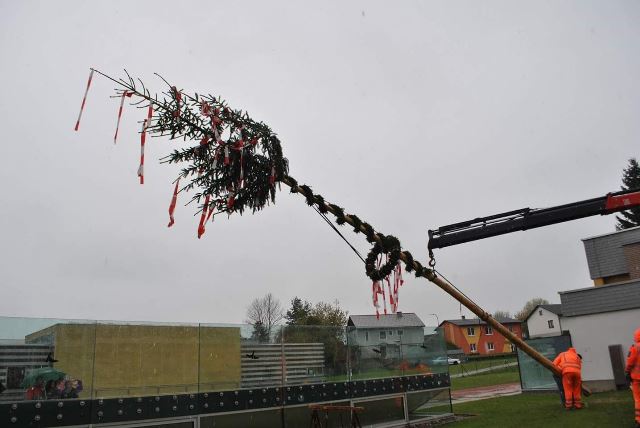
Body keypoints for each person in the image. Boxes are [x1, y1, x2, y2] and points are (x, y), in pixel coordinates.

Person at [625, 327, 640, 427]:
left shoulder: (635, 347)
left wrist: (627, 372)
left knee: (638, 399)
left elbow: (630, 362)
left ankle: (639, 420)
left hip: (637, 378)